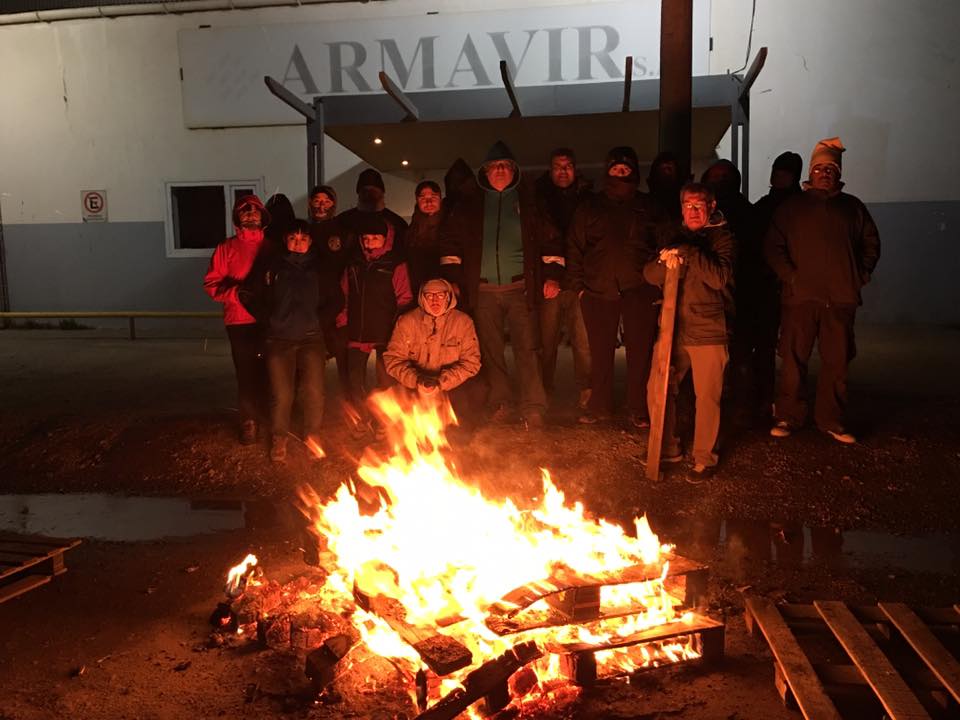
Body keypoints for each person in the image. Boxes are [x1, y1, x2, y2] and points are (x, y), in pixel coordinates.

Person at [765, 137, 880, 444]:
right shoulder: (792, 208)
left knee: (837, 360)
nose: (825, 173)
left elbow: (871, 243)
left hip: (840, 298)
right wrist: (791, 278)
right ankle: (788, 415)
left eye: (831, 168)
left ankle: (831, 419)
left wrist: (860, 275)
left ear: (838, 173)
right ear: (811, 172)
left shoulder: (852, 207)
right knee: (792, 359)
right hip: (800, 298)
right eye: (820, 168)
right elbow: (774, 247)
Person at [438, 141, 549, 429]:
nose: (499, 170)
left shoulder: (529, 202)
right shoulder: (470, 204)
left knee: (528, 349)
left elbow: (551, 239)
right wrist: (453, 279)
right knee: (491, 351)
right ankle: (501, 402)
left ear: (514, 171)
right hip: (483, 291)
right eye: (494, 166)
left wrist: (553, 276)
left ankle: (533, 406)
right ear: (485, 172)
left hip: (519, 289)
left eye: (505, 165)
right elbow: (451, 242)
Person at [567, 146, 663, 427]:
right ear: (606, 172)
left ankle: (638, 407)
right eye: (615, 169)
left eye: (626, 169)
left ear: (634, 172)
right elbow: (574, 246)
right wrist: (578, 287)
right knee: (600, 351)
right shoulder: (590, 207)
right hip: (598, 290)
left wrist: (657, 283)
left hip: (640, 289)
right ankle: (600, 406)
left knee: (640, 351)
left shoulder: (648, 207)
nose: (620, 173)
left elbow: (664, 243)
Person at [644, 182, 735, 476]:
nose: (693, 211)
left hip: (709, 328)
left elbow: (719, 278)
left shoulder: (723, 238)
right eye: (688, 205)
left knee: (707, 396)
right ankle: (666, 447)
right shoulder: (674, 236)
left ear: (711, 206)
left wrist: (690, 253)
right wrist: (664, 260)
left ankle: (703, 457)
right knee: (659, 387)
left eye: (699, 205)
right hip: (674, 327)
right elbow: (649, 274)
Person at [242, 220, 342, 463]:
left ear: (310, 241)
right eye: (293, 238)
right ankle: (279, 438)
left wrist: (319, 322)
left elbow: (337, 299)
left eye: (303, 239)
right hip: (279, 339)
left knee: (315, 391)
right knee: (282, 393)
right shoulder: (272, 266)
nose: (298, 243)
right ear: (286, 240)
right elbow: (248, 294)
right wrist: (271, 319)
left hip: (311, 339)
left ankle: (313, 435)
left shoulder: (321, 267)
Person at [734, 151, 803, 423]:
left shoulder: (798, 207)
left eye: (784, 172)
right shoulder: (764, 205)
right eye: (776, 170)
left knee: (774, 348)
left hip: (780, 288)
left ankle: (770, 402)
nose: (778, 175)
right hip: (755, 286)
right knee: (751, 345)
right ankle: (752, 400)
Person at [203, 194, 271, 445]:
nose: (250, 215)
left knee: (268, 370)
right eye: (244, 211)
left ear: (262, 215)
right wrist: (234, 293)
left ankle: (268, 418)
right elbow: (211, 284)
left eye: (255, 211)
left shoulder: (271, 246)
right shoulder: (226, 248)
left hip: (267, 320)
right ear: (237, 217)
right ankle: (248, 421)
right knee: (246, 373)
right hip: (239, 321)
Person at [337, 213, 413, 435]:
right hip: (357, 332)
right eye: (366, 238)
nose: (369, 243)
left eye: (375, 238)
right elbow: (344, 295)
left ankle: (384, 422)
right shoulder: (354, 264)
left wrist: (398, 330)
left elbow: (405, 298)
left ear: (385, 238)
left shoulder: (395, 263)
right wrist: (342, 321)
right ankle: (361, 419)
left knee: (386, 381)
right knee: (355, 380)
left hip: (386, 332)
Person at [534, 148, 592, 410]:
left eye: (568, 166)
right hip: (550, 284)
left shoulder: (589, 200)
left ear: (575, 169)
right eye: (558, 166)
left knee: (584, 342)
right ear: (550, 170)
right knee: (546, 342)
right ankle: (543, 390)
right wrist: (549, 276)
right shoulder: (538, 200)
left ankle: (587, 392)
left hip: (581, 282)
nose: (563, 171)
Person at [384, 278, 484, 427]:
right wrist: (416, 381)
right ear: (422, 298)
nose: (435, 300)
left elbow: (472, 362)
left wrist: (442, 382)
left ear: (448, 297)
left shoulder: (463, 322)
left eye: (440, 295)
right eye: (429, 295)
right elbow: (393, 359)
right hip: (415, 385)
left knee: (477, 391)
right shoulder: (406, 321)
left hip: (450, 385)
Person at [335, 168, 409, 262]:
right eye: (365, 191)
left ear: (382, 193)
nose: (369, 195)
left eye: (373, 191)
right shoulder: (343, 221)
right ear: (359, 193)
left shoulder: (397, 223)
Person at [406, 180, 444, 294]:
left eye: (433, 197)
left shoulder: (451, 225)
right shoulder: (410, 231)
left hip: (444, 287)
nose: (428, 202)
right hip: (417, 288)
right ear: (417, 201)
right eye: (423, 198)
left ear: (440, 199)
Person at [647, 151, 684, 220]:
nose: (666, 172)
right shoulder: (647, 203)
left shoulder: (685, 201)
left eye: (669, 169)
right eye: (662, 169)